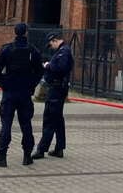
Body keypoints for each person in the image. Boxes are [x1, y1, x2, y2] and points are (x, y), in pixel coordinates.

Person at [0, 22, 44, 168]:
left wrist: (3, 84)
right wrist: (31, 85)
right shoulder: (33, 51)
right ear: (26, 33)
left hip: (10, 92)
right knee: (26, 124)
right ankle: (27, 156)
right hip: (25, 93)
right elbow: (39, 71)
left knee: (6, 124)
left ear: (15, 32)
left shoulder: (7, 49)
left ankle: (1, 156)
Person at [32, 31, 74, 160]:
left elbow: (60, 68)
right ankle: (59, 148)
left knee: (50, 118)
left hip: (57, 88)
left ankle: (41, 149)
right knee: (57, 119)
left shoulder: (64, 52)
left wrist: (48, 65)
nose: (51, 47)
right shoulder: (63, 51)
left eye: (51, 44)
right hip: (58, 88)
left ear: (55, 40)